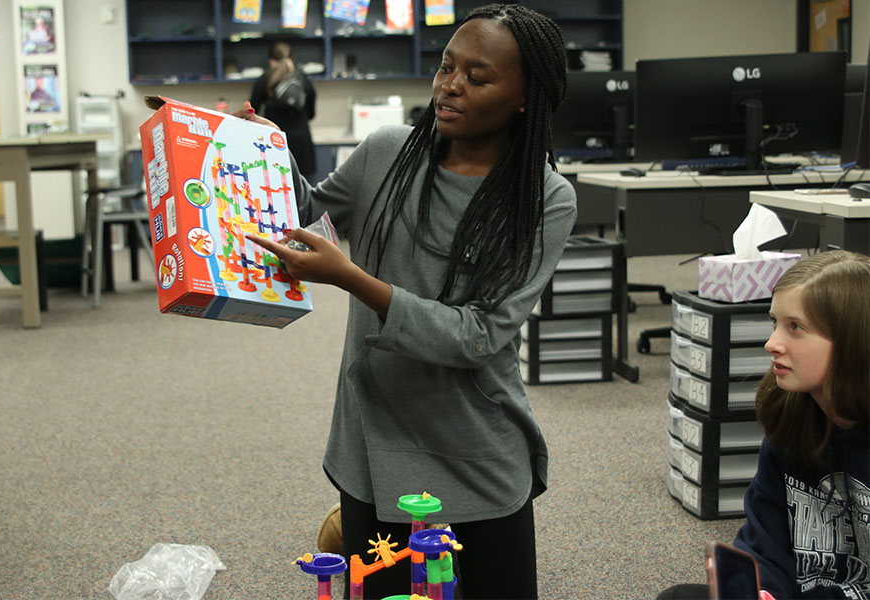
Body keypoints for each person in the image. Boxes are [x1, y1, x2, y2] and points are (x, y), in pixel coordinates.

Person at [235, 4, 575, 598]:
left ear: (526, 96)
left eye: (477, 76)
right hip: (374, 439)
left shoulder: (543, 198)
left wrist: (351, 278)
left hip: (476, 445)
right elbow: (304, 214)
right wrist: (253, 151)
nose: (450, 85)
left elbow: (477, 336)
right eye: (447, 66)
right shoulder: (388, 152)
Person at [658, 250, 870, 600]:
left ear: (852, 341)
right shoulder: (792, 422)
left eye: (796, 328)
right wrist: (763, 590)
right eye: (775, 322)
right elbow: (764, 540)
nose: (772, 343)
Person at [248, 41, 317, 177]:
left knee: (276, 190)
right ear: (291, 59)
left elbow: (252, 111)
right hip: (301, 143)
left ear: (271, 61)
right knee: (304, 192)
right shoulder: (302, 78)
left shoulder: (265, 80)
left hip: (275, 143)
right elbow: (311, 113)